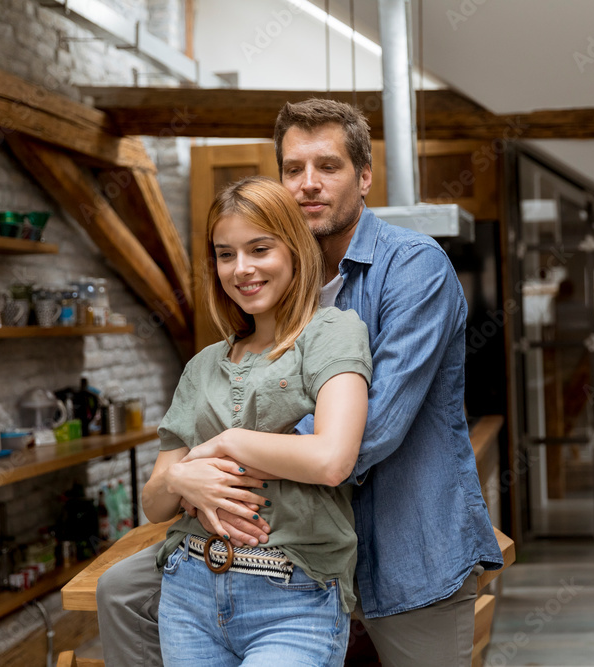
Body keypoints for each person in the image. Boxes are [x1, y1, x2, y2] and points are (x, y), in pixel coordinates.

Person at [97, 98, 503, 666]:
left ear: (364, 177)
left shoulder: (414, 268)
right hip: (273, 534)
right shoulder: (275, 273)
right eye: (293, 169)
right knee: (123, 593)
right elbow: (224, 395)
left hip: (403, 539)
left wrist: (213, 460)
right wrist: (190, 475)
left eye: (329, 167)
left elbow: (370, 432)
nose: (308, 184)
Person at [141, 175, 372, 665]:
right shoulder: (202, 365)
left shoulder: (331, 333)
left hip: (293, 595)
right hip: (189, 588)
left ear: (293, 249)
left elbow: (332, 459)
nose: (241, 269)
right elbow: (156, 502)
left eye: (259, 249)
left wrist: (223, 445)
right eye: (226, 254)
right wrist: (183, 475)